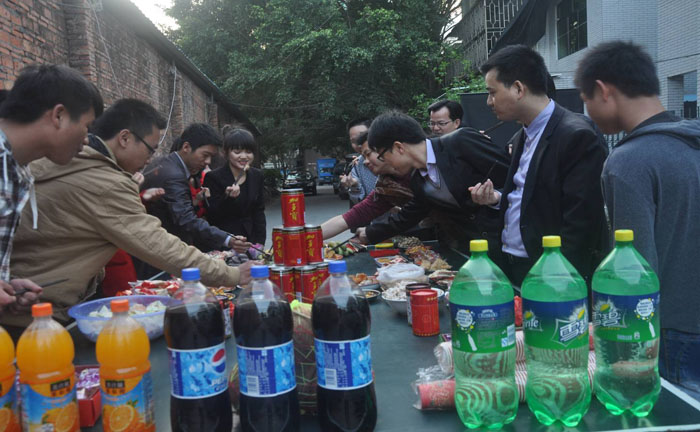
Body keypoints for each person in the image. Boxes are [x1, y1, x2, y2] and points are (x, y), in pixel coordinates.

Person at [3, 99, 254, 331]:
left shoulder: (59, 164)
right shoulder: (104, 181)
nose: (150, 159)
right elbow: (159, 245)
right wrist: (231, 274)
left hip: (22, 299)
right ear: (124, 138)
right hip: (35, 317)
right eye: (150, 150)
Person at [575, 40, 700, 398]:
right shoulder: (691, 142)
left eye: (585, 101)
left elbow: (634, 271)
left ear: (603, 91)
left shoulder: (629, 162)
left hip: (670, 334)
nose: (588, 114)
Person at [469, 44, 608, 288]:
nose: (489, 102)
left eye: (492, 92)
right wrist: (498, 199)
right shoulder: (522, 134)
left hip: (551, 275)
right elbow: (531, 195)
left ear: (518, 88)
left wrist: (557, 280)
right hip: (514, 265)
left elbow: (581, 223)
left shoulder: (576, 136)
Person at [0, 65, 103, 316]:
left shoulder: (18, 170)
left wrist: (7, 284)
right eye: (87, 127)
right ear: (59, 116)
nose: (86, 140)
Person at [356, 111, 510, 251]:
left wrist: (496, 197)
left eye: (382, 156)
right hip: (470, 253)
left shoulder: (460, 142)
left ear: (398, 147)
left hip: (507, 243)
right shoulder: (417, 180)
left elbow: (514, 176)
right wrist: (370, 232)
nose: (384, 161)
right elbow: (408, 216)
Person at [141, 123, 250, 253]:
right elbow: (186, 219)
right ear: (186, 147)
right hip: (162, 249)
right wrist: (227, 239)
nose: (208, 162)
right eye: (205, 155)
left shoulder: (164, 163)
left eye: (211, 157)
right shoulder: (174, 175)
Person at [321, 131, 413, 239]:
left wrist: (371, 232)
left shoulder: (420, 170)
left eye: (368, 154)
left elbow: (414, 214)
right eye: (364, 156)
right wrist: (308, 235)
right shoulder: (386, 186)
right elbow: (354, 215)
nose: (365, 162)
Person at [204, 127, 266, 247]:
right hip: (225, 242)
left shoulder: (257, 175)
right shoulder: (213, 177)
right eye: (237, 152)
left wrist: (260, 243)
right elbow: (212, 215)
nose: (244, 156)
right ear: (226, 153)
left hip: (251, 239)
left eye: (248, 152)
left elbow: (258, 211)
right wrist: (228, 198)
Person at [340, 118, 378, 204]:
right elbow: (359, 202)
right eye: (354, 141)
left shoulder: (391, 158)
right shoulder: (357, 165)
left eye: (363, 137)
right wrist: (354, 185)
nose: (359, 144)